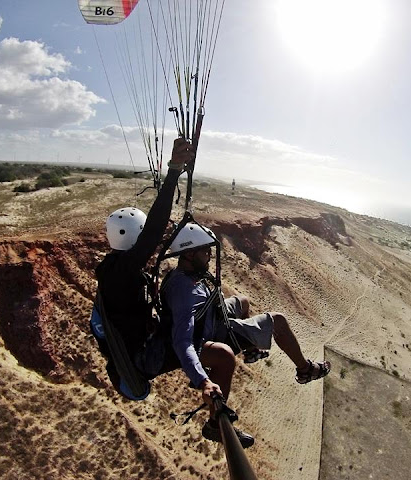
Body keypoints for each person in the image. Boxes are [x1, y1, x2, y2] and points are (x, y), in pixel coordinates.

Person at [160, 223, 331, 448]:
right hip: (207, 336)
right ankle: (305, 369)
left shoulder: (185, 273)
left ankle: (250, 350)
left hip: (211, 318)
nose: (210, 256)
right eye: (205, 251)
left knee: (242, 301)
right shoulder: (185, 290)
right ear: (190, 253)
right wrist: (203, 381)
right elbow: (183, 342)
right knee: (276, 321)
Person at [91, 138, 192, 397]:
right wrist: (173, 172)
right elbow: (153, 233)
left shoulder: (114, 269)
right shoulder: (121, 272)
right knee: (199, 330)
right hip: (142, 358)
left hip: (139, 349)